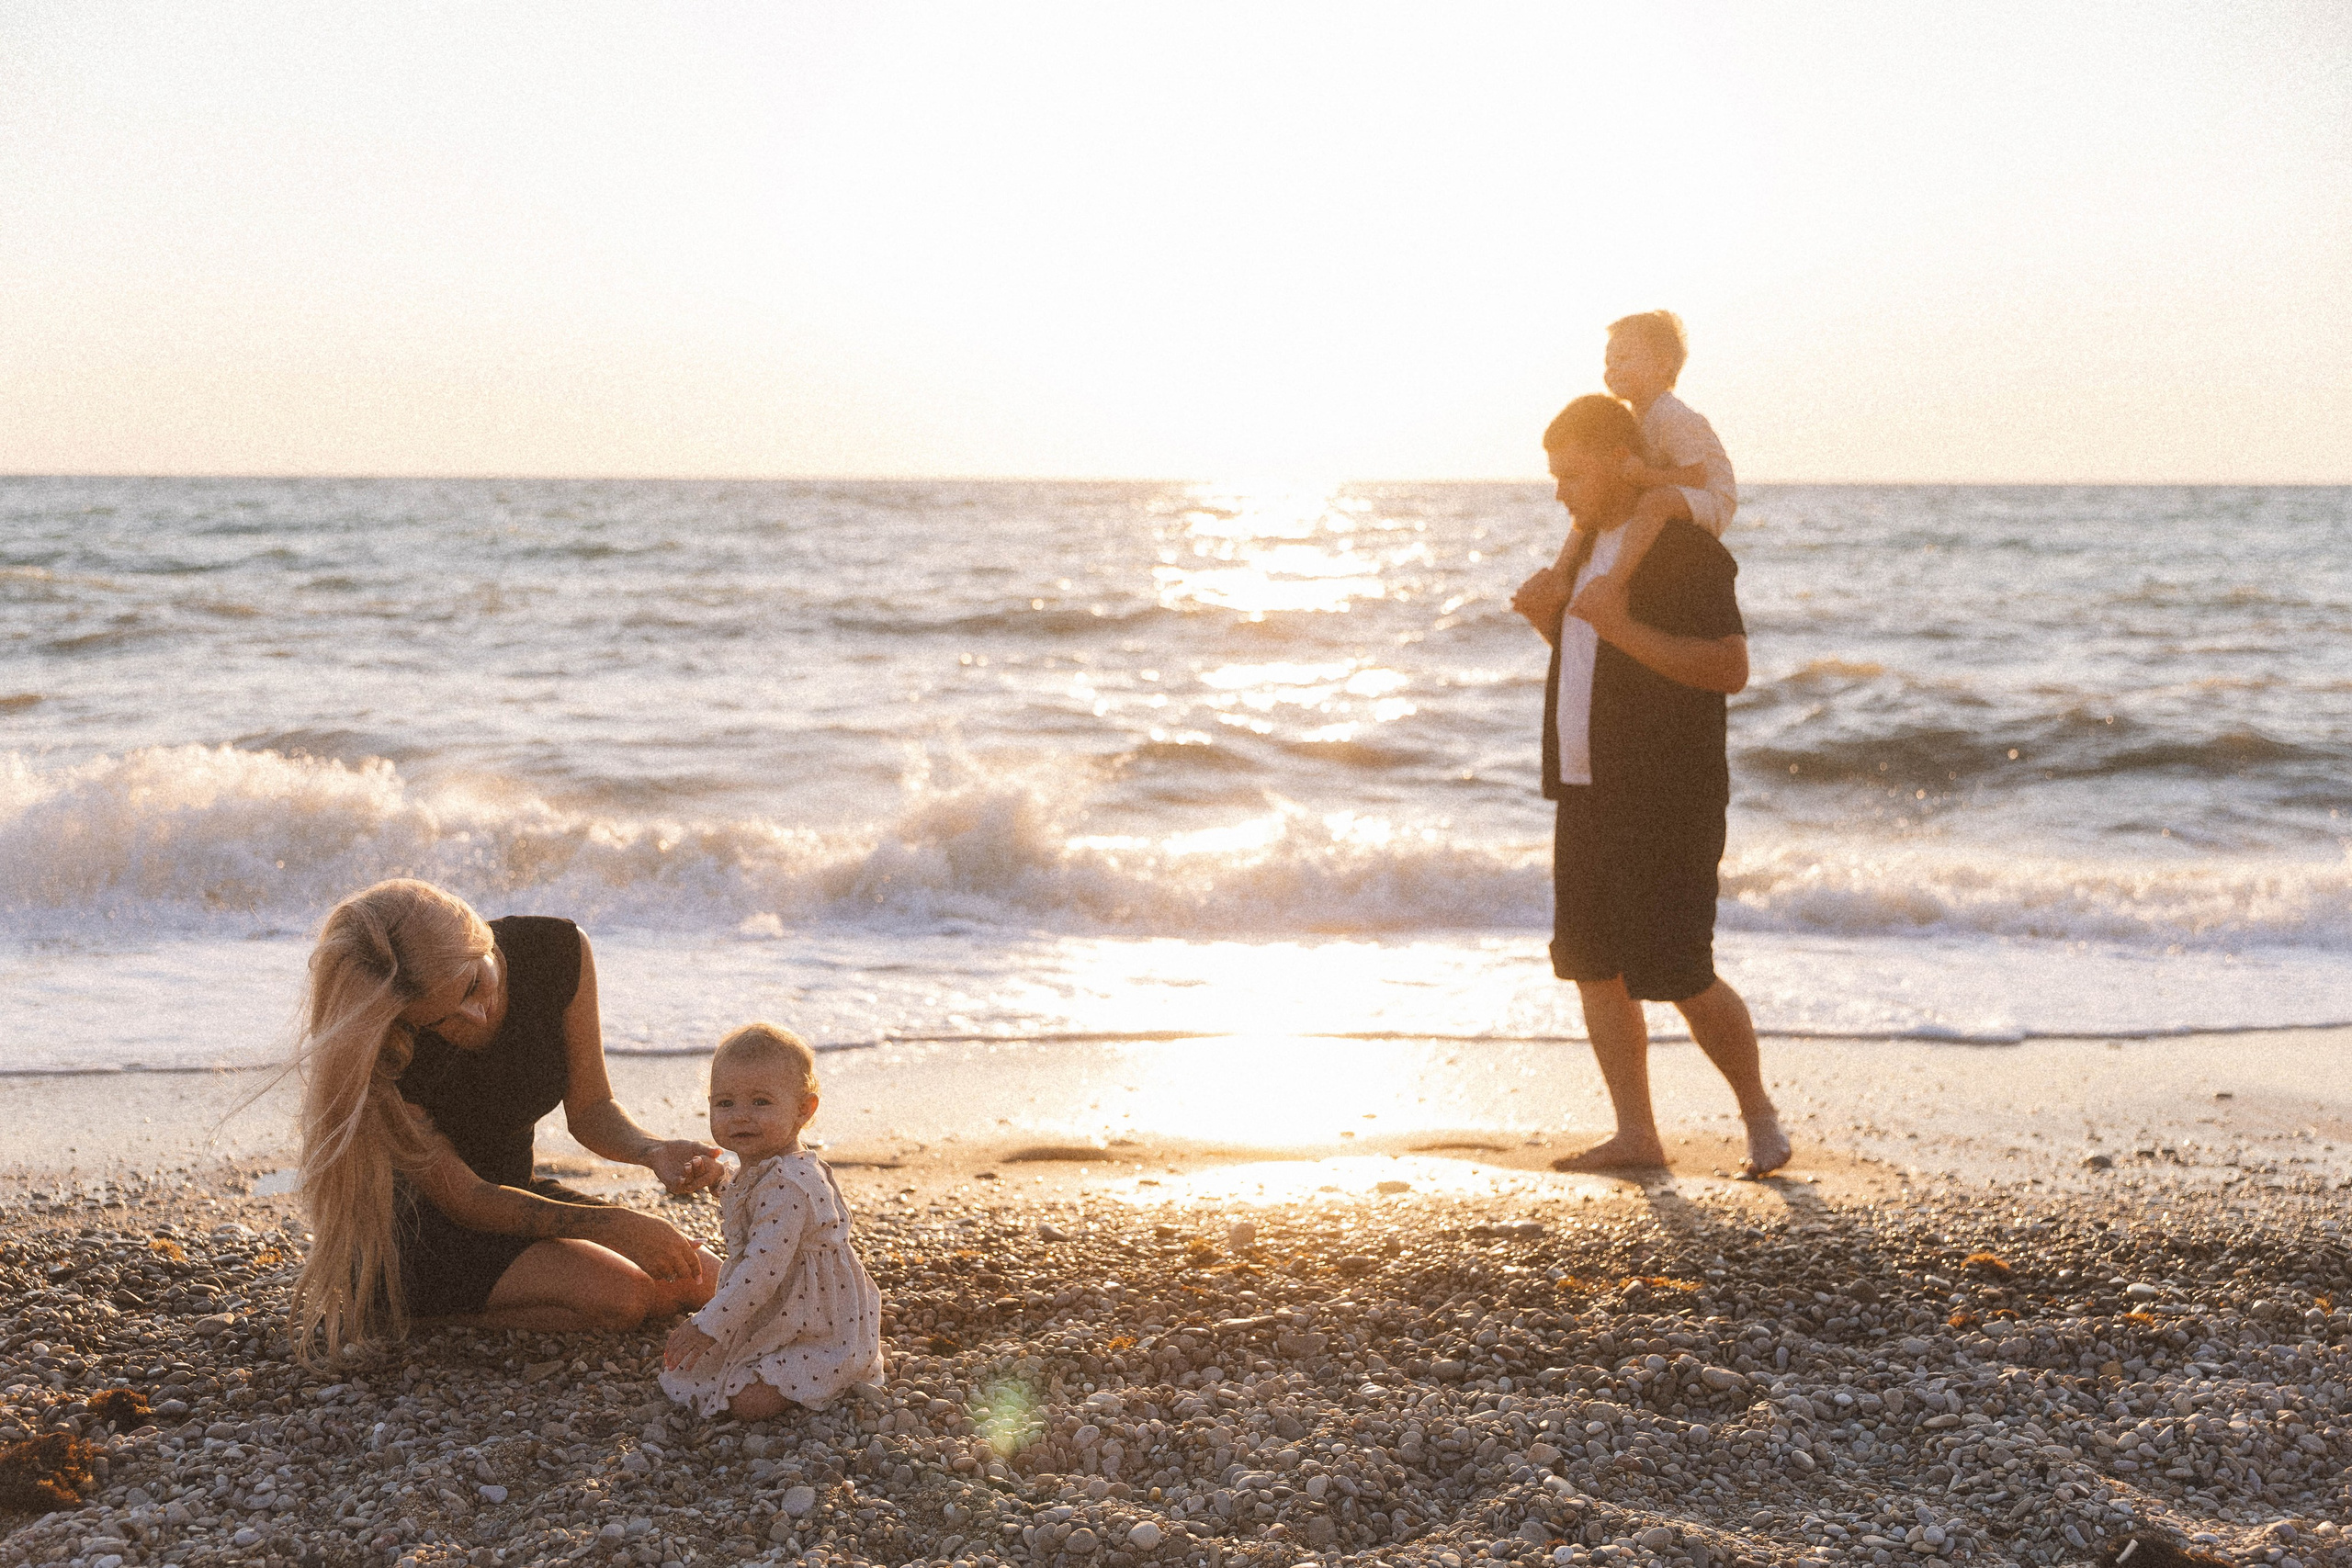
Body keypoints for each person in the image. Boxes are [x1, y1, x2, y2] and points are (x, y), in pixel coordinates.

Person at [1510, 394, 1791, 1178]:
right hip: (1584, 785)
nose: (1560, 491)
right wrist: (1549, 617)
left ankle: (1760, 1117)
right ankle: (1637, 1134)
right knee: (1593, 962)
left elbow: (1730, 668)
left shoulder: (1682, 550)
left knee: (1679, 970)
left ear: (1615, 460)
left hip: (1667, 794)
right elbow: (1595, 657)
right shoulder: (1589, 549)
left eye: (1569, 473)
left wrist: (1620, 625)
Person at [288, 878, 723, 1360]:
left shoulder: (556, 953)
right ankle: (399, 1304)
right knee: (626, 1298)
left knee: (705, 1281)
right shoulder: (389, 1045)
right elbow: (467, 1199)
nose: (474, 1016)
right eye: (442, 1020)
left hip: (515, 1194)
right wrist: (607, 1224)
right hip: (423, 1230)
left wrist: (652, 1151)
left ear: (480, 937)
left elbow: (592, 1109)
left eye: (475, 985)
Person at [661, 1022, 884, 1418]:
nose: (741, 1116)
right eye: (725, 1103)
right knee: (702, 1372)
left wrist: (707, 1323)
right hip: (783, 1308)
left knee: (746, 1403)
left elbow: (761, 1268)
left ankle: (839, 1366)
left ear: (804, 1110)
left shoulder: (789, 1184)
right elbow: (753, 1217)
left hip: (816, 1323)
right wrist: (720, 1182)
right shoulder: (768, 1167)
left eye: (761, 1102)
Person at [1552, 310, 1739, 600]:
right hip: (1678, 487)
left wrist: (1646, 476)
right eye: (1608, 362)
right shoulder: (1634, 418)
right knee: (1598, 494)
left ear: (1663, 365)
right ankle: (1560, 572)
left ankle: (1614, 583)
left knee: (1655, 501)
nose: (1612, 369)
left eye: (1623, 359)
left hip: (1712, 497)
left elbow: (1698, 476)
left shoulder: (1673, 416)